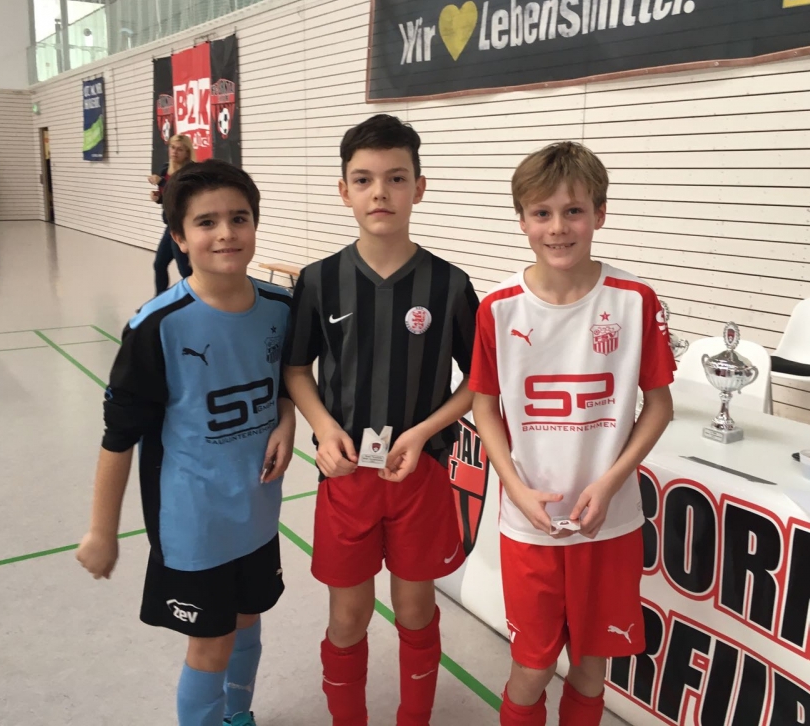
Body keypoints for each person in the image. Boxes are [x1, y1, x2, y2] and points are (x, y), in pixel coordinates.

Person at [76, 159, 296, 726]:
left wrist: (288, 418)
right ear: (178, 236)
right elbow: (119, 437)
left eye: (239, 218)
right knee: (211, 643)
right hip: (194, 520)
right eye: (206, 222)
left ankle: (237, 716)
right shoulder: (157, 326)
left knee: (247, 621)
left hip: (257, 509)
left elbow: (288, 382)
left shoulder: (281, 308)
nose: (226, 233)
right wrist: (102, 531)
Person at [468, 142, 676, 726]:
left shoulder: (635, 300)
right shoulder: (498, 308)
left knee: (590, 666)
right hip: (529, 524)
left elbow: (659, 407)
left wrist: (609, 483)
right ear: (522, 220)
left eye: (574, 211)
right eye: (542, 213)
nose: (558, 227)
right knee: (532, 669)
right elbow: (484, 408)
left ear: (599, 214)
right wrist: (515, 489)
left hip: (609, 523)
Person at [282, 114, 480, 726]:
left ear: (419, 187)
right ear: (344, 190)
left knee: (416, 611)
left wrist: (423, 433)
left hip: (420, 476)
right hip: (346, 478)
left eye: (396, 178)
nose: (380, 193)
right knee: (348, 617)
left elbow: (479, 381)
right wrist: (324, 428)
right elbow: (296, 370)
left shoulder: (450, 285)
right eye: (364, 180)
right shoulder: (319, 281)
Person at [150, 134, 195, 294]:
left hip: (183, 226)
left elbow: (180, 194)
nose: (175, 152)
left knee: (185, 271)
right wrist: (158, 198)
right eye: (172, 147)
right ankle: (159, 300)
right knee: (159, 264)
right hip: (170, 225)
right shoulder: (166, 169)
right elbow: (168, 198)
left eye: (179, 149)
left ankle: (196, 298)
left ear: (187, 152)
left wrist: (162, 182)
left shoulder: (191, 171)